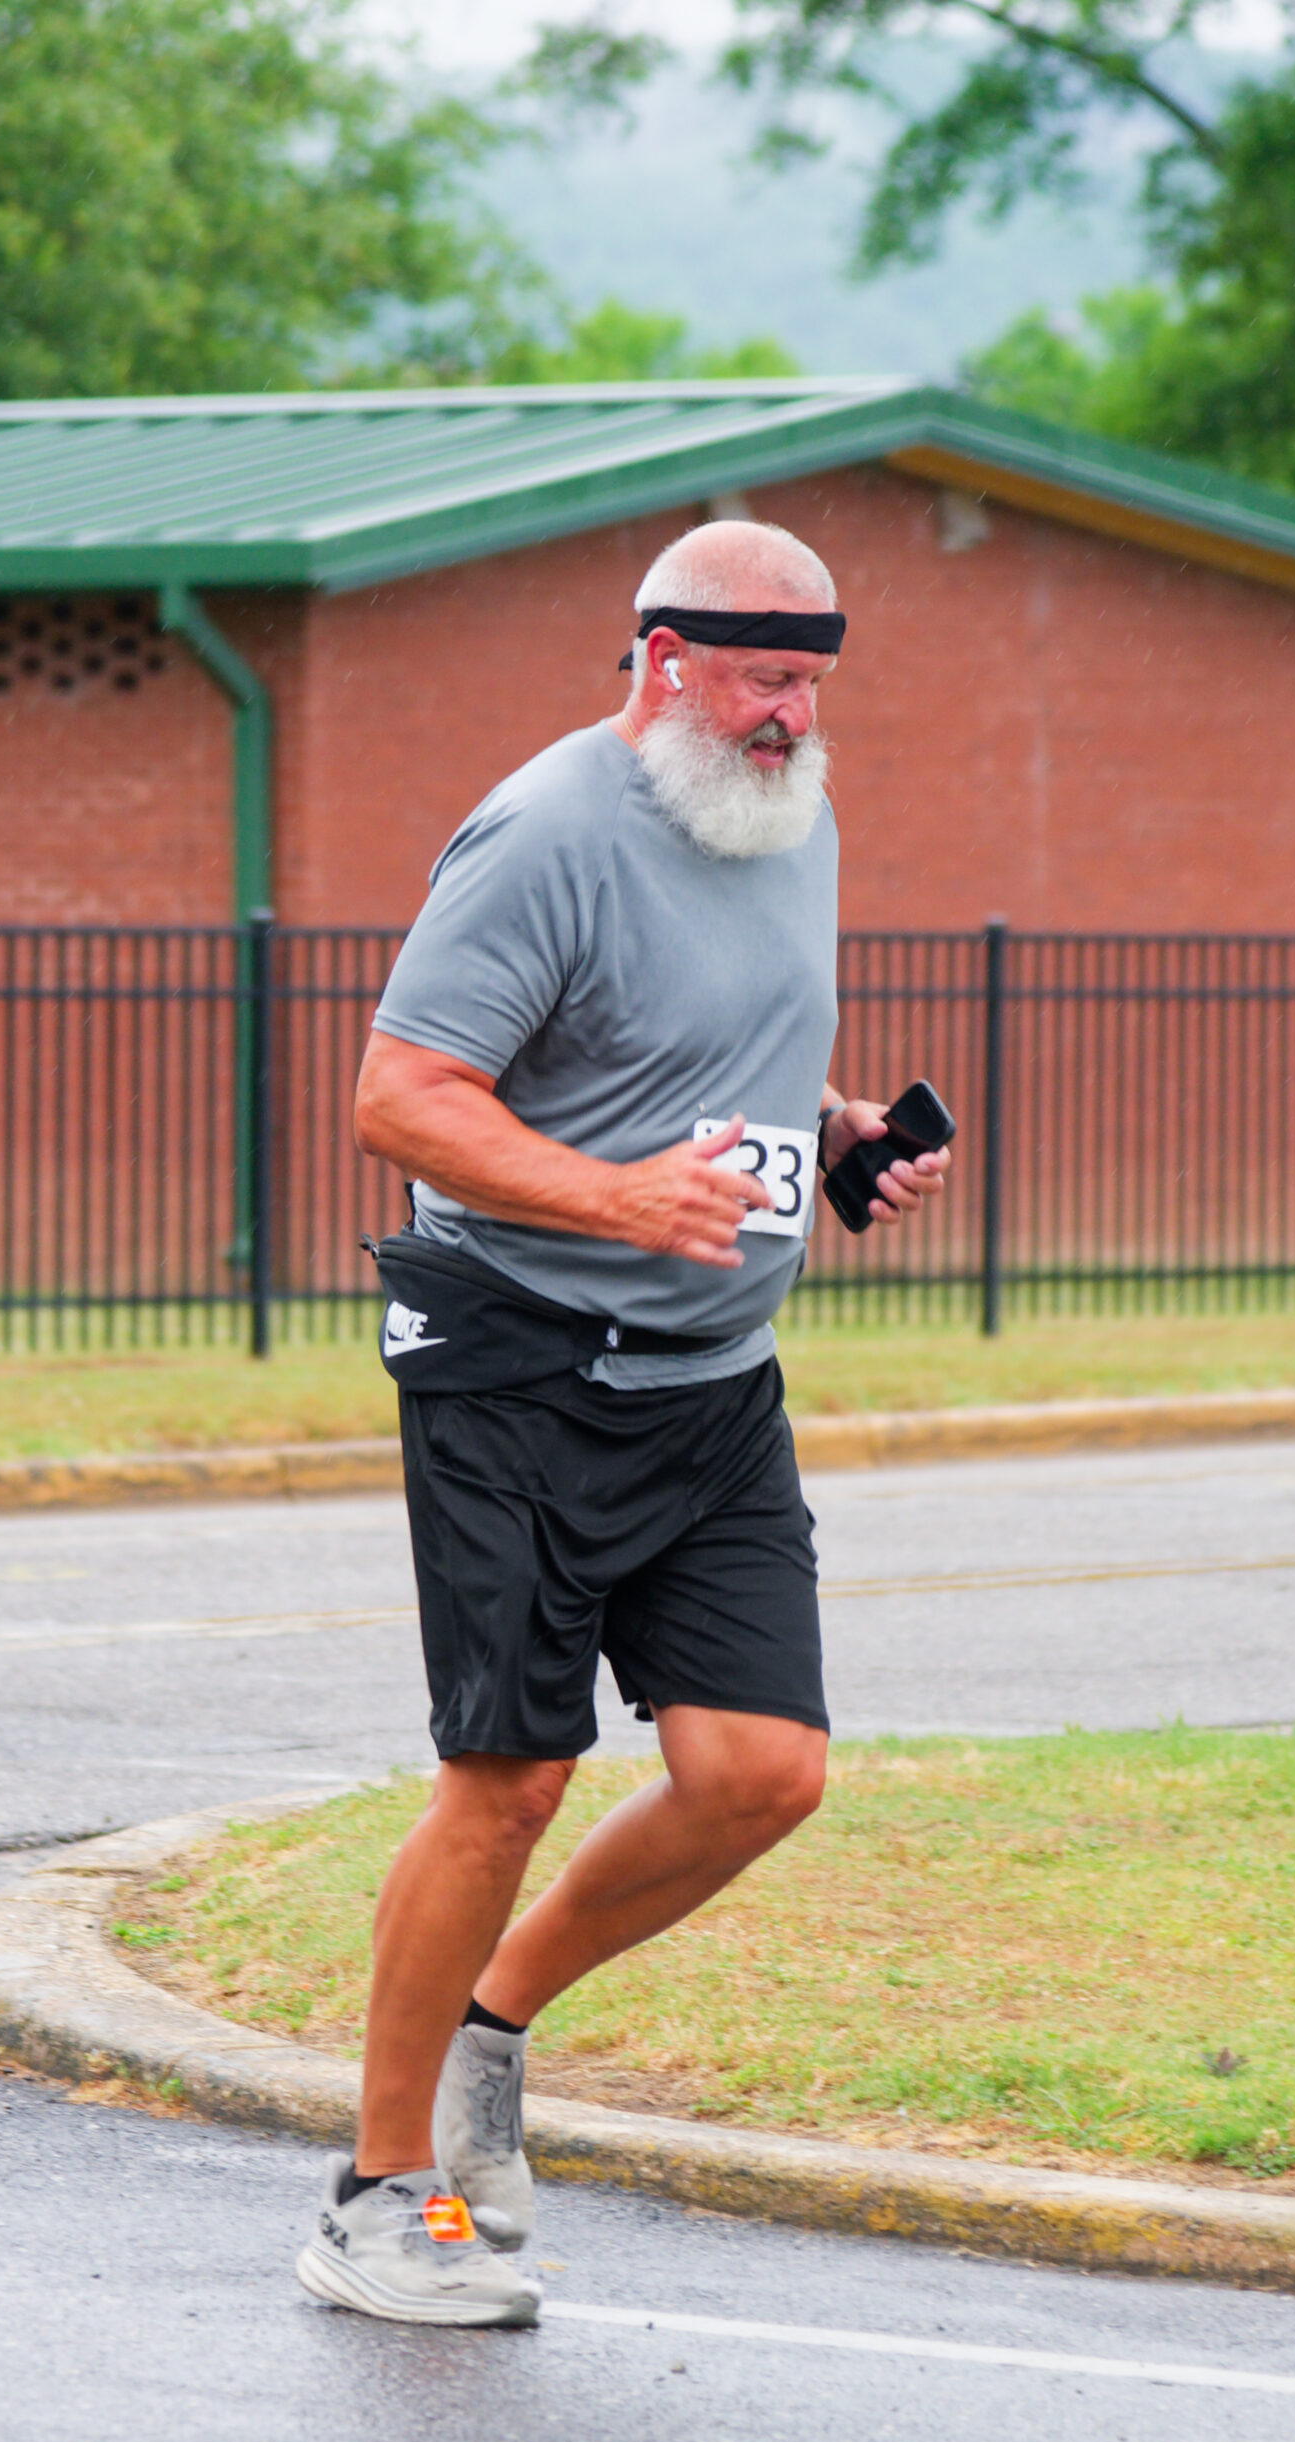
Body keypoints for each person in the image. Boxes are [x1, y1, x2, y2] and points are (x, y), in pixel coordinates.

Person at [295, 519, 950, 2326]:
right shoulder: (548, 832)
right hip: (520, 1372)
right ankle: (374, 2187)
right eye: (760, 678)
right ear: (661, 659)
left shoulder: (785, 811)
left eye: (812, 679)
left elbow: (705, 1060)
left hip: (713, 1385)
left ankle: (489, 2032)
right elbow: (403, 1097)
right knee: (505, 1781)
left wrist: (828, 1140)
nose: (791, 716)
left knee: (763, 1774)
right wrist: (613, 1199)